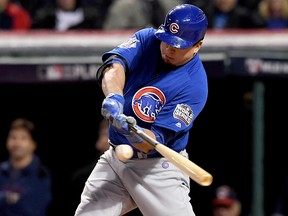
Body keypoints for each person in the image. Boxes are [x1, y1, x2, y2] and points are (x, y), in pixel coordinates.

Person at [75, 3, 209, 216]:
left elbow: (152, 144)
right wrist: (114, 96)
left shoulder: (194, 87)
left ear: (197, 45)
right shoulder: (149, 39)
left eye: (178, 45)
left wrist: (132, 132)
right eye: (167, 41)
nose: (169, 48)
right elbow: (114, 66)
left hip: (156, 169)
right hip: (116, 158)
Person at [0, 118, 52, 216]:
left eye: (23, 138)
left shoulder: (41, 174)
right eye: (13, 137)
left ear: (33, 144)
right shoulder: (1, 170)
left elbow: (31, 209)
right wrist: (7, 198)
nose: (17, 143)